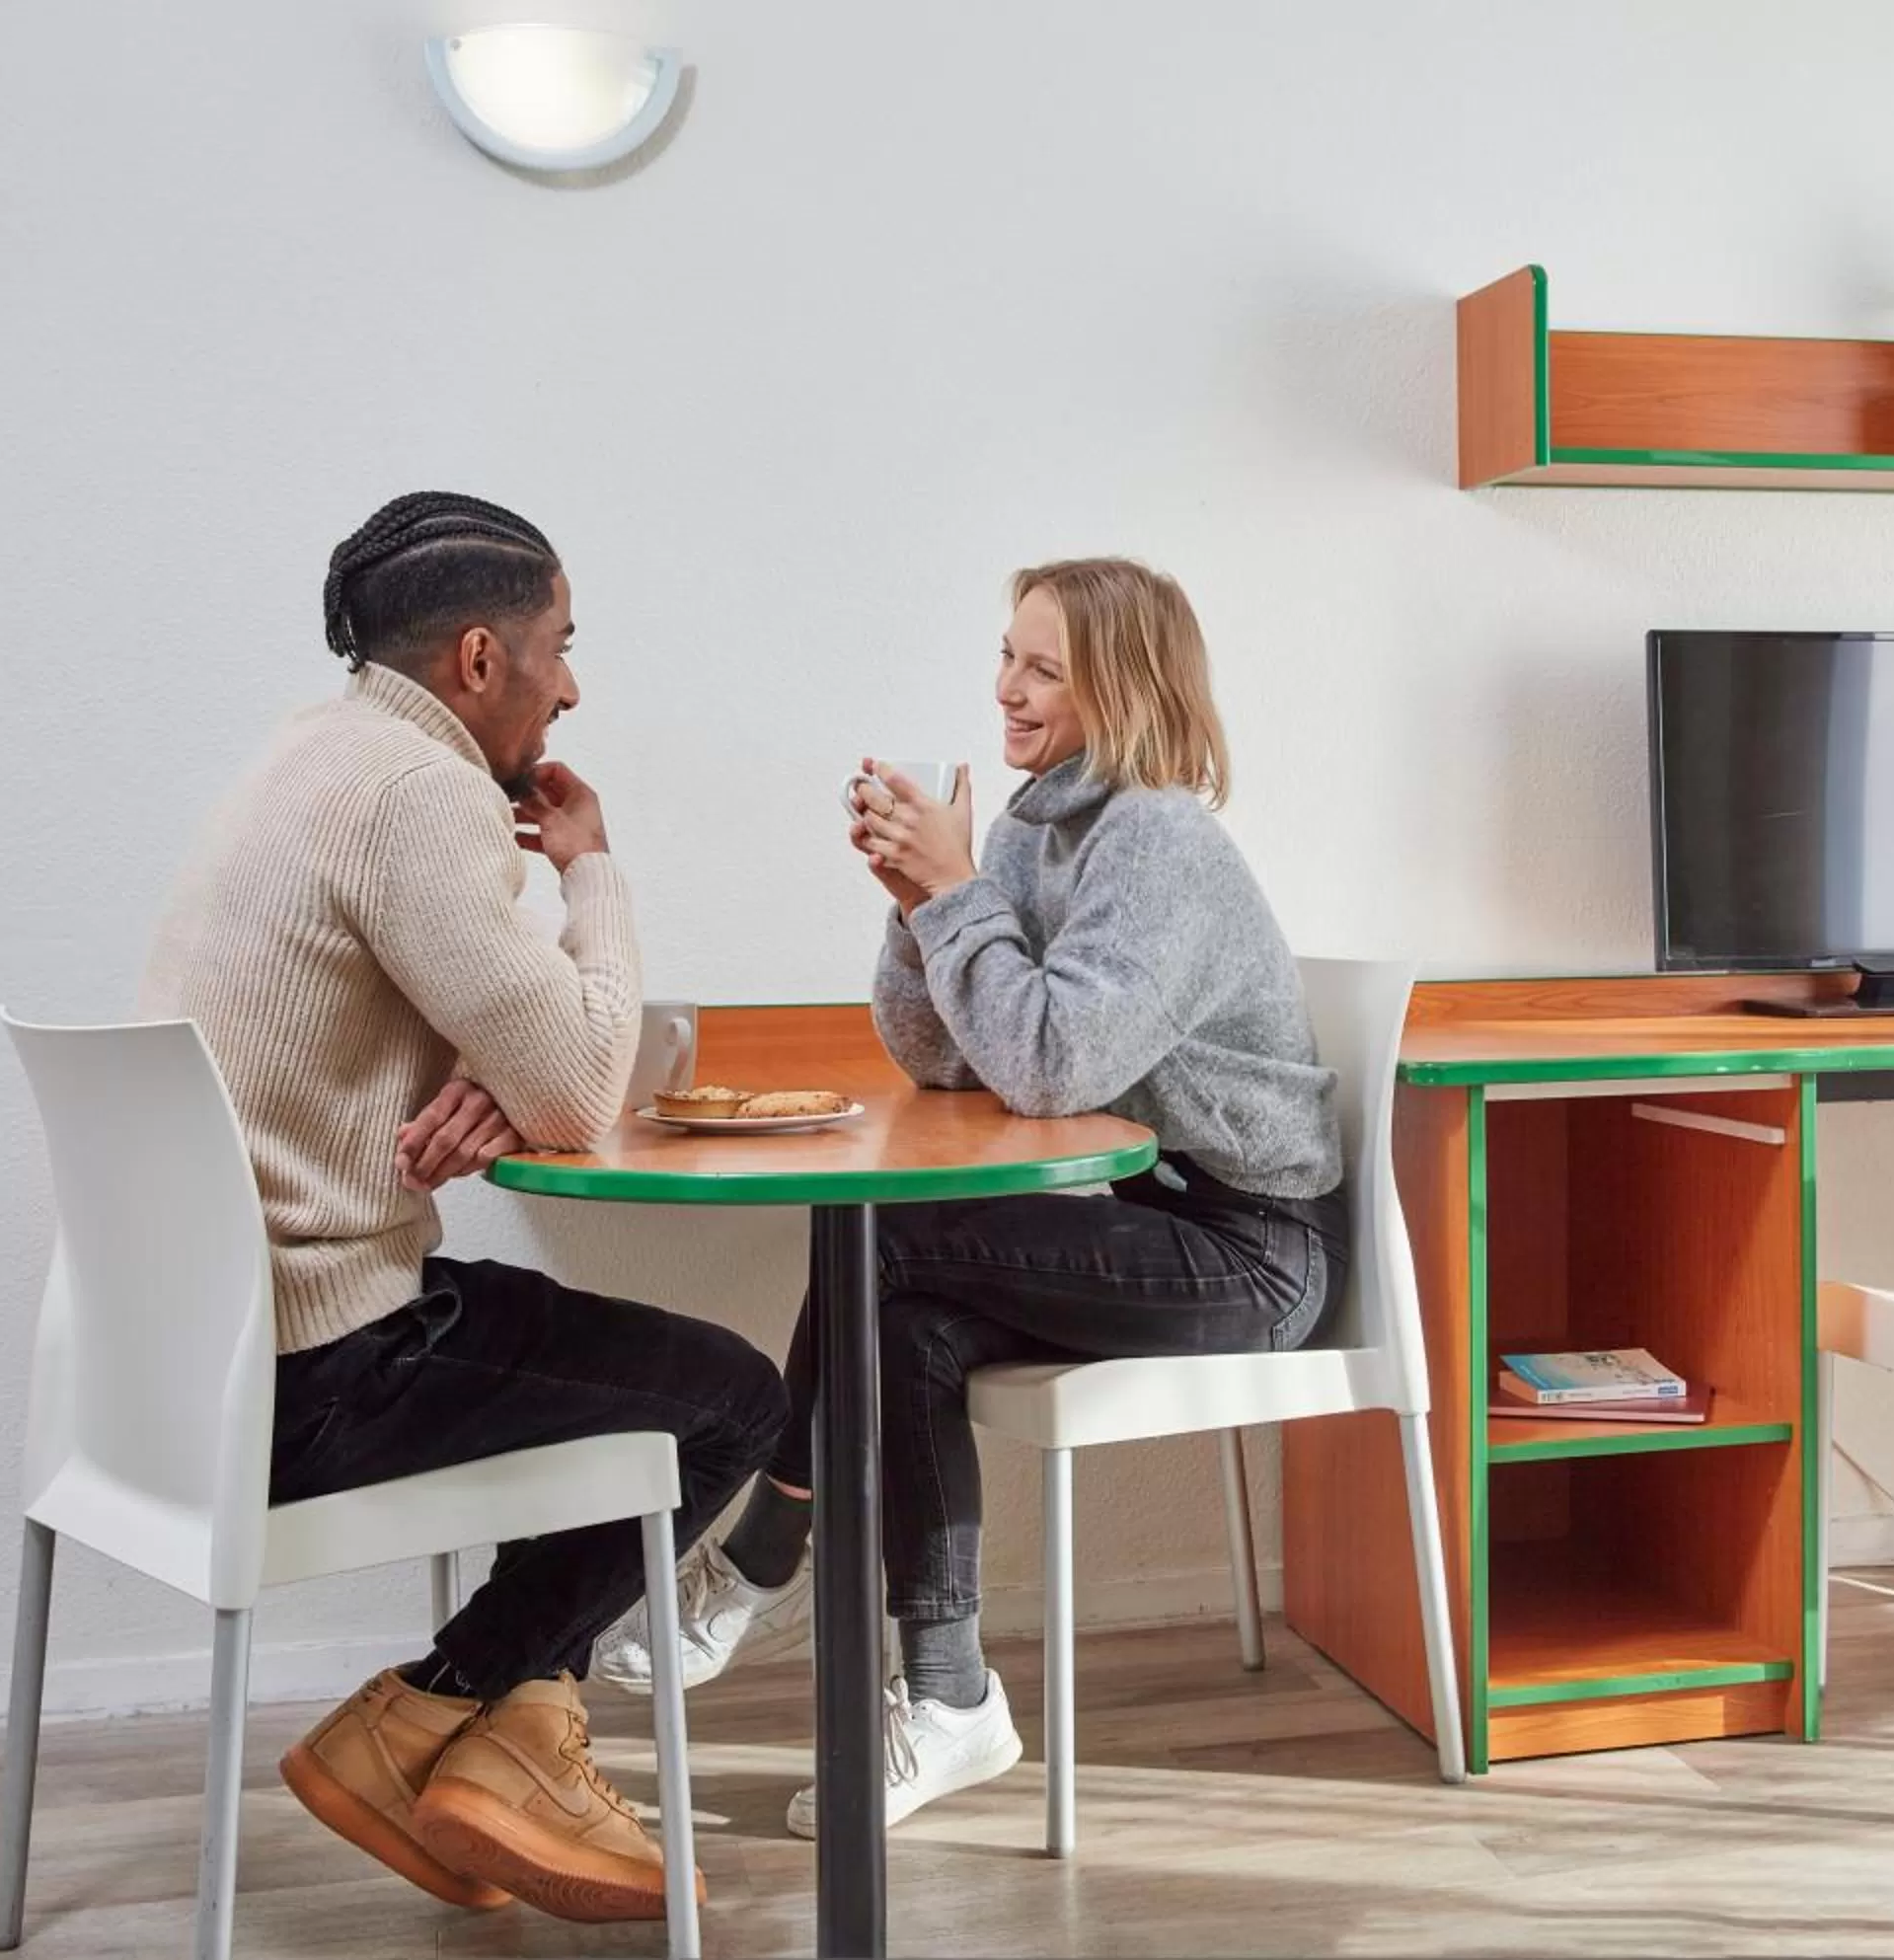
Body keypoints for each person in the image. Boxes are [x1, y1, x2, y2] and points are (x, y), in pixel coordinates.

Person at [596, 557, 1345, 1835]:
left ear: (1121, 685)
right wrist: (917, 909)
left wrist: (956, 896)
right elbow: (944, 1054)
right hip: (1152, 1212)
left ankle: (764, 1552)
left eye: (1042, 665)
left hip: (1253, 1251)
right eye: (1007, 654)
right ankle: (948, 1699)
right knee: (904, 1312)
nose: (1006, 687)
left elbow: (1053, 1063)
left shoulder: (1158, 837)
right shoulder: (1030, 833)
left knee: (882, 1241)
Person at [138, 491, 785, 1922]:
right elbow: (585, 1082)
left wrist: (508, 1065)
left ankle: (477, 1737)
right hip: (321, 1376)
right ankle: (447, 1720)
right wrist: (591, 866)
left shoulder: (317, 755)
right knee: (734, 1397)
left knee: (642, 1376)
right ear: (480, 659)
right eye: (562, 644)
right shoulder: (414, 795)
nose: (574, 682)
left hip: (198, 1369)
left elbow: (543, 1066)